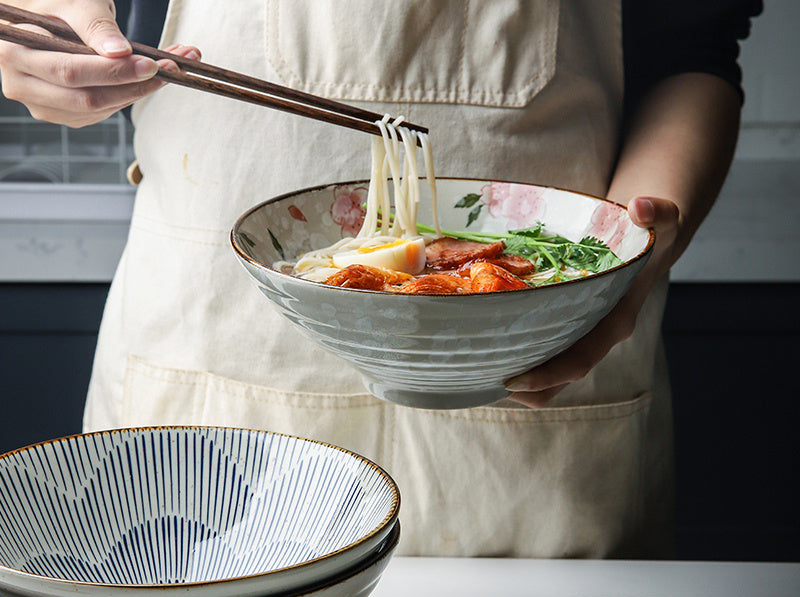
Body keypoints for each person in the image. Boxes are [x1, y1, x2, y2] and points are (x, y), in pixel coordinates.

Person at [0, 0, 762, 559]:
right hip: (213, 363)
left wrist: (632, 255)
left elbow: (689, 51)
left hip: (541, 362)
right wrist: (49, 39)